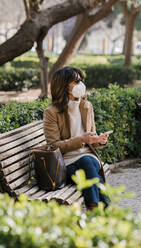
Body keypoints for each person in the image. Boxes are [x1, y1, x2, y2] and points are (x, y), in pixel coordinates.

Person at [43, 67, 110, 210]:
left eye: (81, 80)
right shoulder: (51, 112)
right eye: (76, 81)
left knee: (86, 161)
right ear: (63, 85)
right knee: (89, 171)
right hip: (65, 164)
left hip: (87, 158)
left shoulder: (87, 106)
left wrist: (98, 140)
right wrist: (81, 140)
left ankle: (94, 208)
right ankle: (103, 208)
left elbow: (91, 137)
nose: (81, 84)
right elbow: (53, 145)